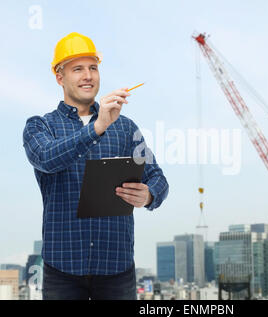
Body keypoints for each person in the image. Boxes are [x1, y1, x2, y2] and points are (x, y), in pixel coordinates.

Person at [22, 32, 169, 300]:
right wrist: (97, 128)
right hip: (62, 271)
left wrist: (148, 194)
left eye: (93, 67)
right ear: (59, 77)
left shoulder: (126, 128)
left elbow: (157, 177)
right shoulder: (40, 126)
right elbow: (46, 157)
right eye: (77, 69)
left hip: (117, 270)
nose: (88, 75)